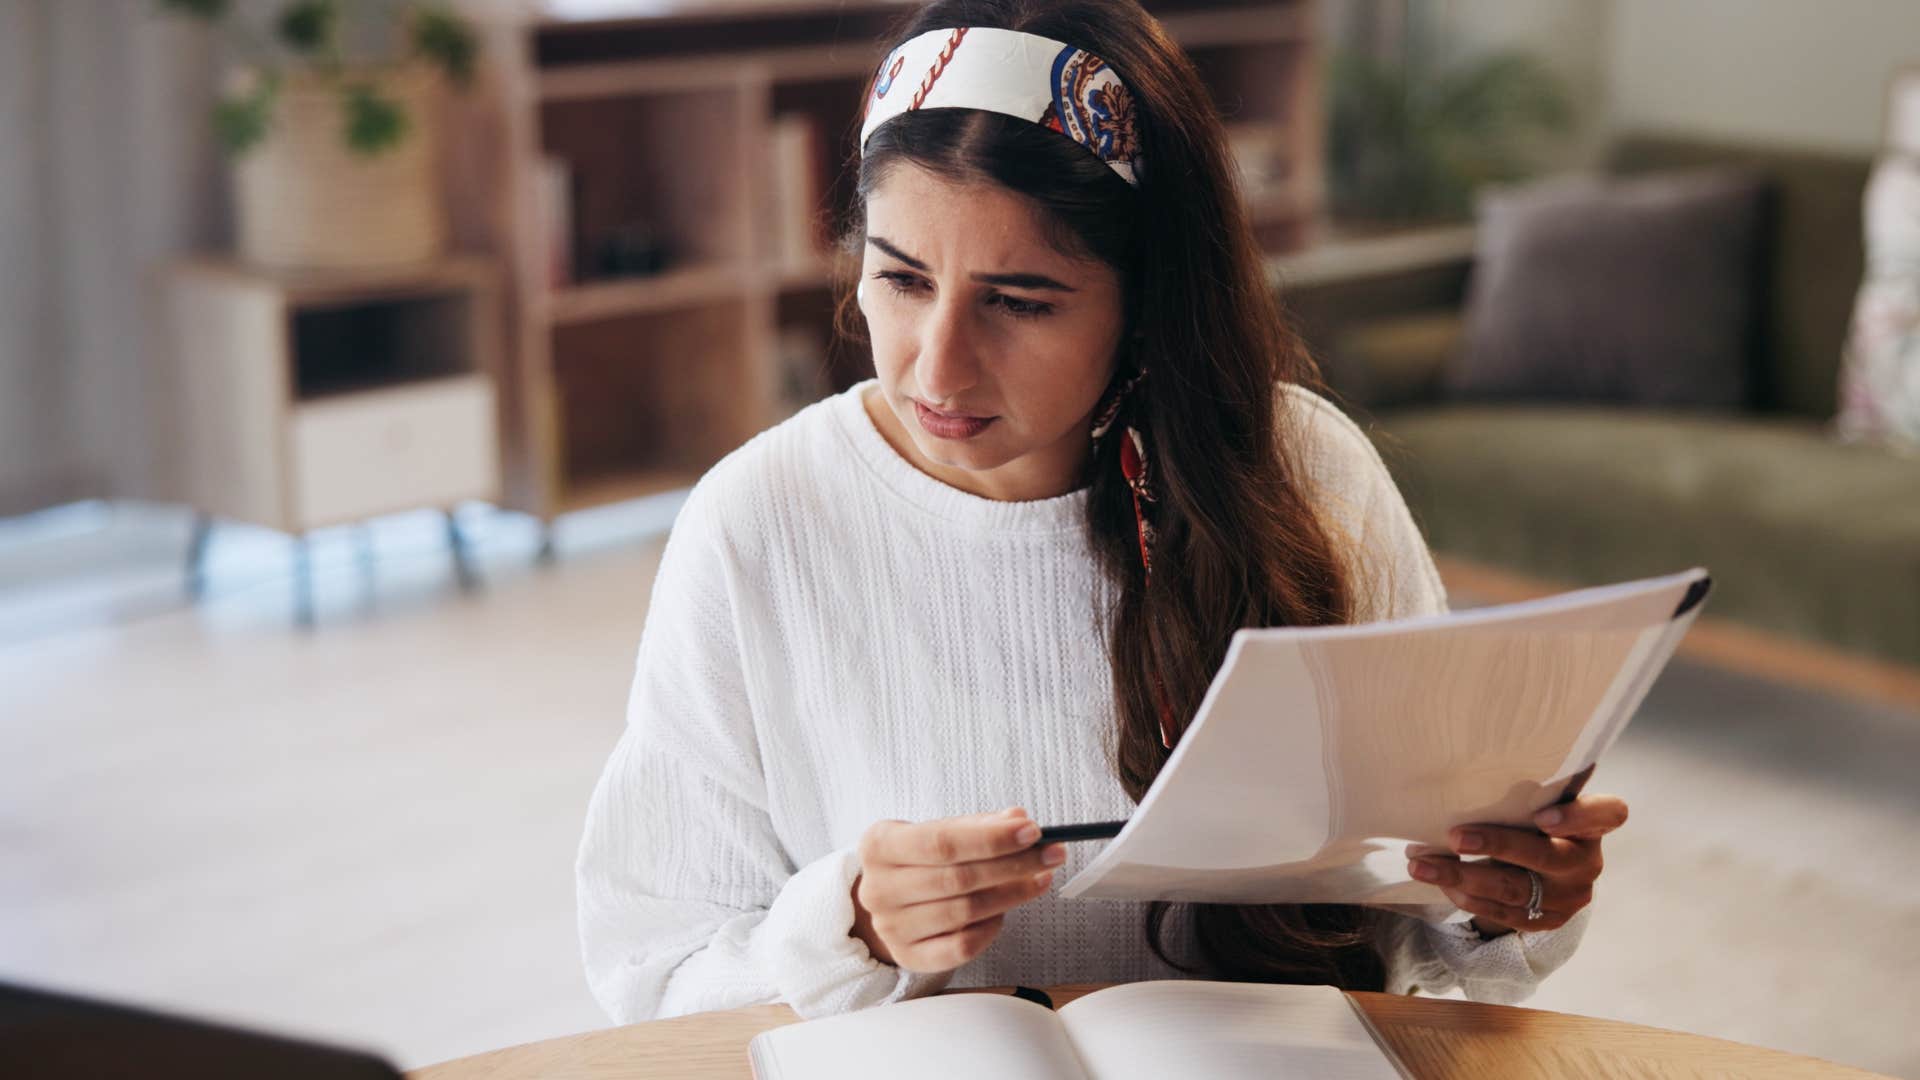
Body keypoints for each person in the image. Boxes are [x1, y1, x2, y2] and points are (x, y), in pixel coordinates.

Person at [575, 0, 1628, 1024]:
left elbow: (1424, 918)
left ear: (1148, 300)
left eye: (1019, 301)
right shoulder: (757, 523)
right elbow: (653, 968)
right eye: (900, 279)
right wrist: (847, 925)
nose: (937, 365)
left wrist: (1510, 897)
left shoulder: (1307, 473)